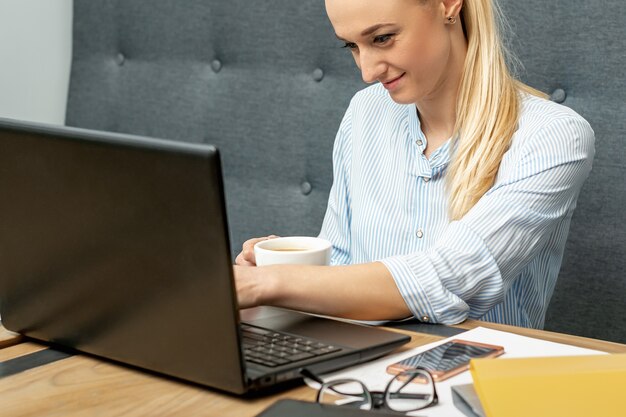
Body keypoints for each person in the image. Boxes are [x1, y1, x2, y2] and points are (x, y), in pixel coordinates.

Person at [233, 0, 594, 328]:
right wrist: (287, 269)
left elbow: (450, 278)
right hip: (356, 373)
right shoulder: (364, 111)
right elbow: (341, 265)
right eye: (352, 47)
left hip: (480, 384)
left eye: (383, 38)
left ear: (449, 5)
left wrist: (269, 283)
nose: (367, 71)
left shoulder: (553, 136)